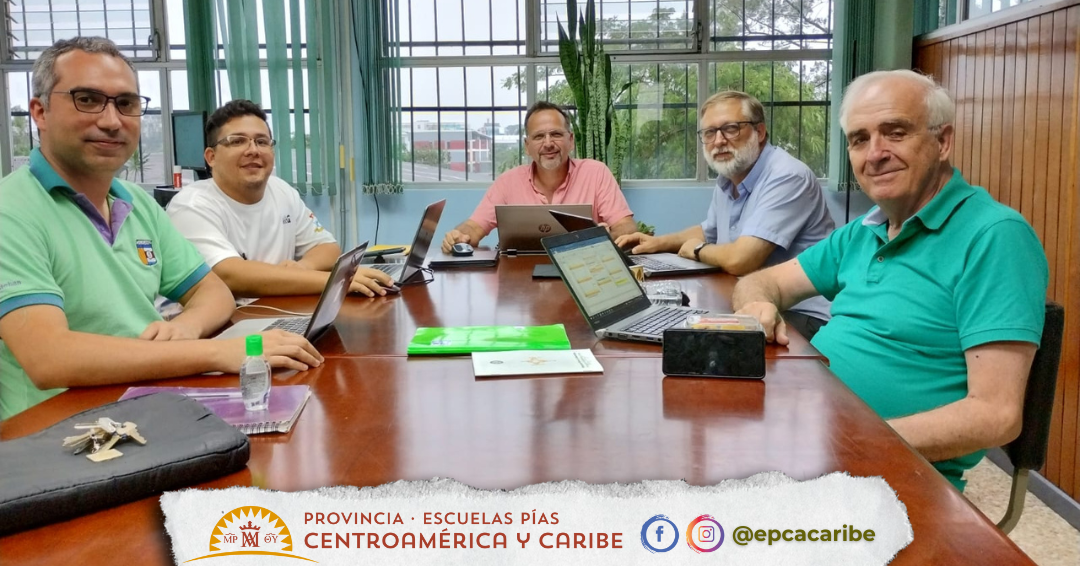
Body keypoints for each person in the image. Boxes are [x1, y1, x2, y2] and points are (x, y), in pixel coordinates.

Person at [732, 70, 1048, 491]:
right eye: (859, 139)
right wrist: (757, 305)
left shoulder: (994, 236)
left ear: (943, 142)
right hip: (811, 443)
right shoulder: (864, 230)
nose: (875, 154)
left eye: (895, 133)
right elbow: (762, 281)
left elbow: (996, 415)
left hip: (888, 474)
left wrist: (847, 440)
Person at [0, 37, 322, 420]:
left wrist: (186, 327)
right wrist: (217, 352)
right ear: (40, 112)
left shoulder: (136, 203)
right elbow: (49, 358)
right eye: (87, 99)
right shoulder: (12, 210)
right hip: (56, 431)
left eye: (126, 104)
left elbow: (213, 292)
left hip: (143, 405)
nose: (111, 120)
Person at [615, 91, 834, 339]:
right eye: (709, 133)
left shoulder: (787, 176)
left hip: (801, 315)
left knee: (695, 341)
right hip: (750, 301)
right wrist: (657, 242)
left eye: (731, 129)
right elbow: (709, 230)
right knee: (671, 325)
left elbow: (742, 259)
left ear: (760, 132)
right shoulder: (729, 177)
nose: (719, 141)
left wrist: (698, 250)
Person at [167, 100, 395, 298]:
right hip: (213, 327)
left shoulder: (281, 190)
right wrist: (336, 281)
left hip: (272, 311)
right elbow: (228, 274)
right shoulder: (192, 205)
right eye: (237, 141)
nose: (253, 150)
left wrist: (303, 267)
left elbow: (327, 247)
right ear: (211, 157)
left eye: (262, 141)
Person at [441, 101, 636, 252]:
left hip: (584, 272)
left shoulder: (596, 173)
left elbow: (626, 227)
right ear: (527, 146)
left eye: (556, 134)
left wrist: (608, 235)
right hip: (519, 277)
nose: (548, 143)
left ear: (571, 140)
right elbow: (474, 227)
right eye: (539, 136)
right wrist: (459, 236)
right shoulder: (507, 182)